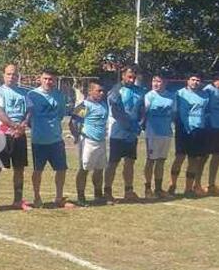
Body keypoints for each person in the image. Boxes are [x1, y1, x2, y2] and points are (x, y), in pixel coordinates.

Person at [26, 68, 73, 209]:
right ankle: (36, 197)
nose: (48, 81)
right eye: (45, 78)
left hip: (56, 140)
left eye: (51, 79)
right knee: (38, 170)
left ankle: (59, 197)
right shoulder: (31, 95)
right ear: (40, 79)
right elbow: (28, 117)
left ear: (55, 80)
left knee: (61, 169)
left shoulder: (59, 95)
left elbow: (60, 115)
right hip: (39, 140)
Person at [0, 63, 31, 213]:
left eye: (14, 74)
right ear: (3, 75)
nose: (12, 77)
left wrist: (23, 125)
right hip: (3, 135)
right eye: (9, 74)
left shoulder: (25, 93)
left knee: (19, 169)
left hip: (19, 135)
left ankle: (18, 200)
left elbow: (29, 112)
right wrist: (13, 126)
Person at [104, 66, 145, 203]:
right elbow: (116, 112)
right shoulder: (116, 90)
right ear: (123, 75)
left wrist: (139, 125)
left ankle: (129, 191)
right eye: (129, 77)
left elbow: (141, 110)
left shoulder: (140, 91)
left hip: (132, 134)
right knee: (113, 163)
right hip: (118, 132)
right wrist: (128, 126)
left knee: (130, 162)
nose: (131, 80)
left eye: (134, 77)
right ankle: (107, 191)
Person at [169, 73, 210, 198]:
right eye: (193, 79)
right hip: (183, 130)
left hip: (199, 130)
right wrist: (182, 126)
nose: (195, 82)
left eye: (198, 80)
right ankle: (172, 185)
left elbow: (207, 112)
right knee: (179, 158)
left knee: (193, 160)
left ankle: (188, 188)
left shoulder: (205, 95)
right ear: (188, 81)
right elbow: (176, 112)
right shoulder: (180, 94)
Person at [69, 82, 108, 206]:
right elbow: (73, 122)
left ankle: (98, 194)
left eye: (102, 91)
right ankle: (81, 197)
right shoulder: (84, 105)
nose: (101, 93)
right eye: (98, 91)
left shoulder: (103, 104)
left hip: (101, 141)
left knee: (99, 169)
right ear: (90, 91)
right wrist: (76, 135)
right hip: (88, 141)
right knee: (84, 169)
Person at [142, 74, 176, 199]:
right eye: (154, 81)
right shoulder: (149, 96)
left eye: (159, 81)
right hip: (152, 134)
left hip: (166, 133)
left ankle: (158, 189)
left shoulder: (171, 97)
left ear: (165, 82)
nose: (156, 83)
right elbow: (143, 114)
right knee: (151, 161)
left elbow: (173, 114)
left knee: (161, 161)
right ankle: (147, 189)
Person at [200, 72, 219, 195]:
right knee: (203, 156)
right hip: (209, 128)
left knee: (217, 156)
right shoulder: (208, 90)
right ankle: (196, 183)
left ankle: (211, 184)